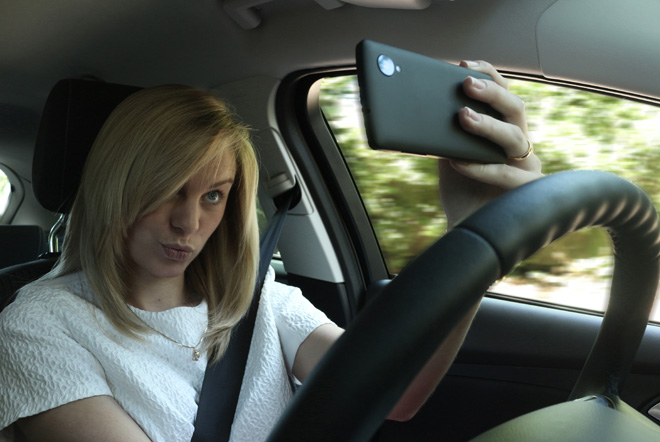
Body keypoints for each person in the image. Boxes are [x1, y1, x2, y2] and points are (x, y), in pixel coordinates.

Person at [0, 61, 541, 442]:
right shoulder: (38, 326)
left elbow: (396, 396)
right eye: (167, 190)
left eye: (213, 195)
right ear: (116, 187)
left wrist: (476, 232)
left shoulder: (263, 303)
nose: (189, 223)